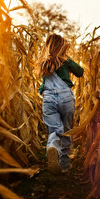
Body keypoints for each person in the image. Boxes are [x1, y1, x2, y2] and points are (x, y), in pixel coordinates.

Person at [37, 33, 84, 174]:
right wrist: (69, 64)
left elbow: (44, 83)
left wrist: (42, 92)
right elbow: (80, 72)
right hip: (66, 98)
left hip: (49, 99)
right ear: (62, 47)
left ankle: (52, 147)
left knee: (55, 130)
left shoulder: (43, 62)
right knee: (66, 130)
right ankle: (64, 164)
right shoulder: (65, 60)